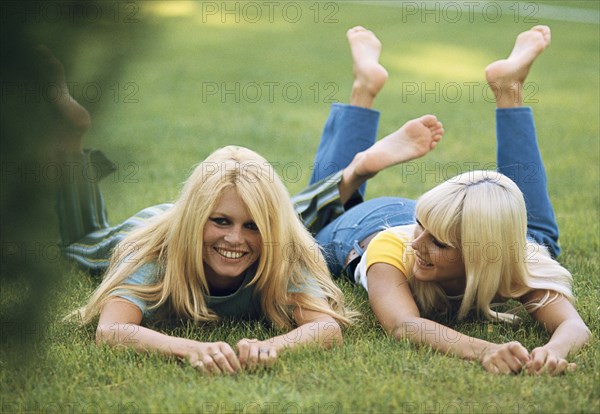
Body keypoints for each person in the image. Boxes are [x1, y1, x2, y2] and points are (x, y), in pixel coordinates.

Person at [54, 27, 443, 374]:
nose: (235, 239)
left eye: (251, 225)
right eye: (220, 221)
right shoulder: (154, 250)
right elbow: (112, 330)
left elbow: (325, 327)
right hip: (153, 227)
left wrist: (270, 346)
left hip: (273, 221)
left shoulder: (282, 247)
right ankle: (69, 143)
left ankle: (356, 147)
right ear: (196, 218)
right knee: (82, 243)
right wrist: (190, 349)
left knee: (289, 217)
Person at [311, 25, 591, 375]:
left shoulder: (516, 260)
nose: (418, 244)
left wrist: (554, 350)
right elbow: (404, 325)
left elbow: (574, 327)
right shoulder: (394, 250)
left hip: (446, 215)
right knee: (311, 223)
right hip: (364, 225)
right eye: (422, 231)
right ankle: (362, 106)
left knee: (539, 240)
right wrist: (486, 350)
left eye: (438, 243)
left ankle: (509, 88)